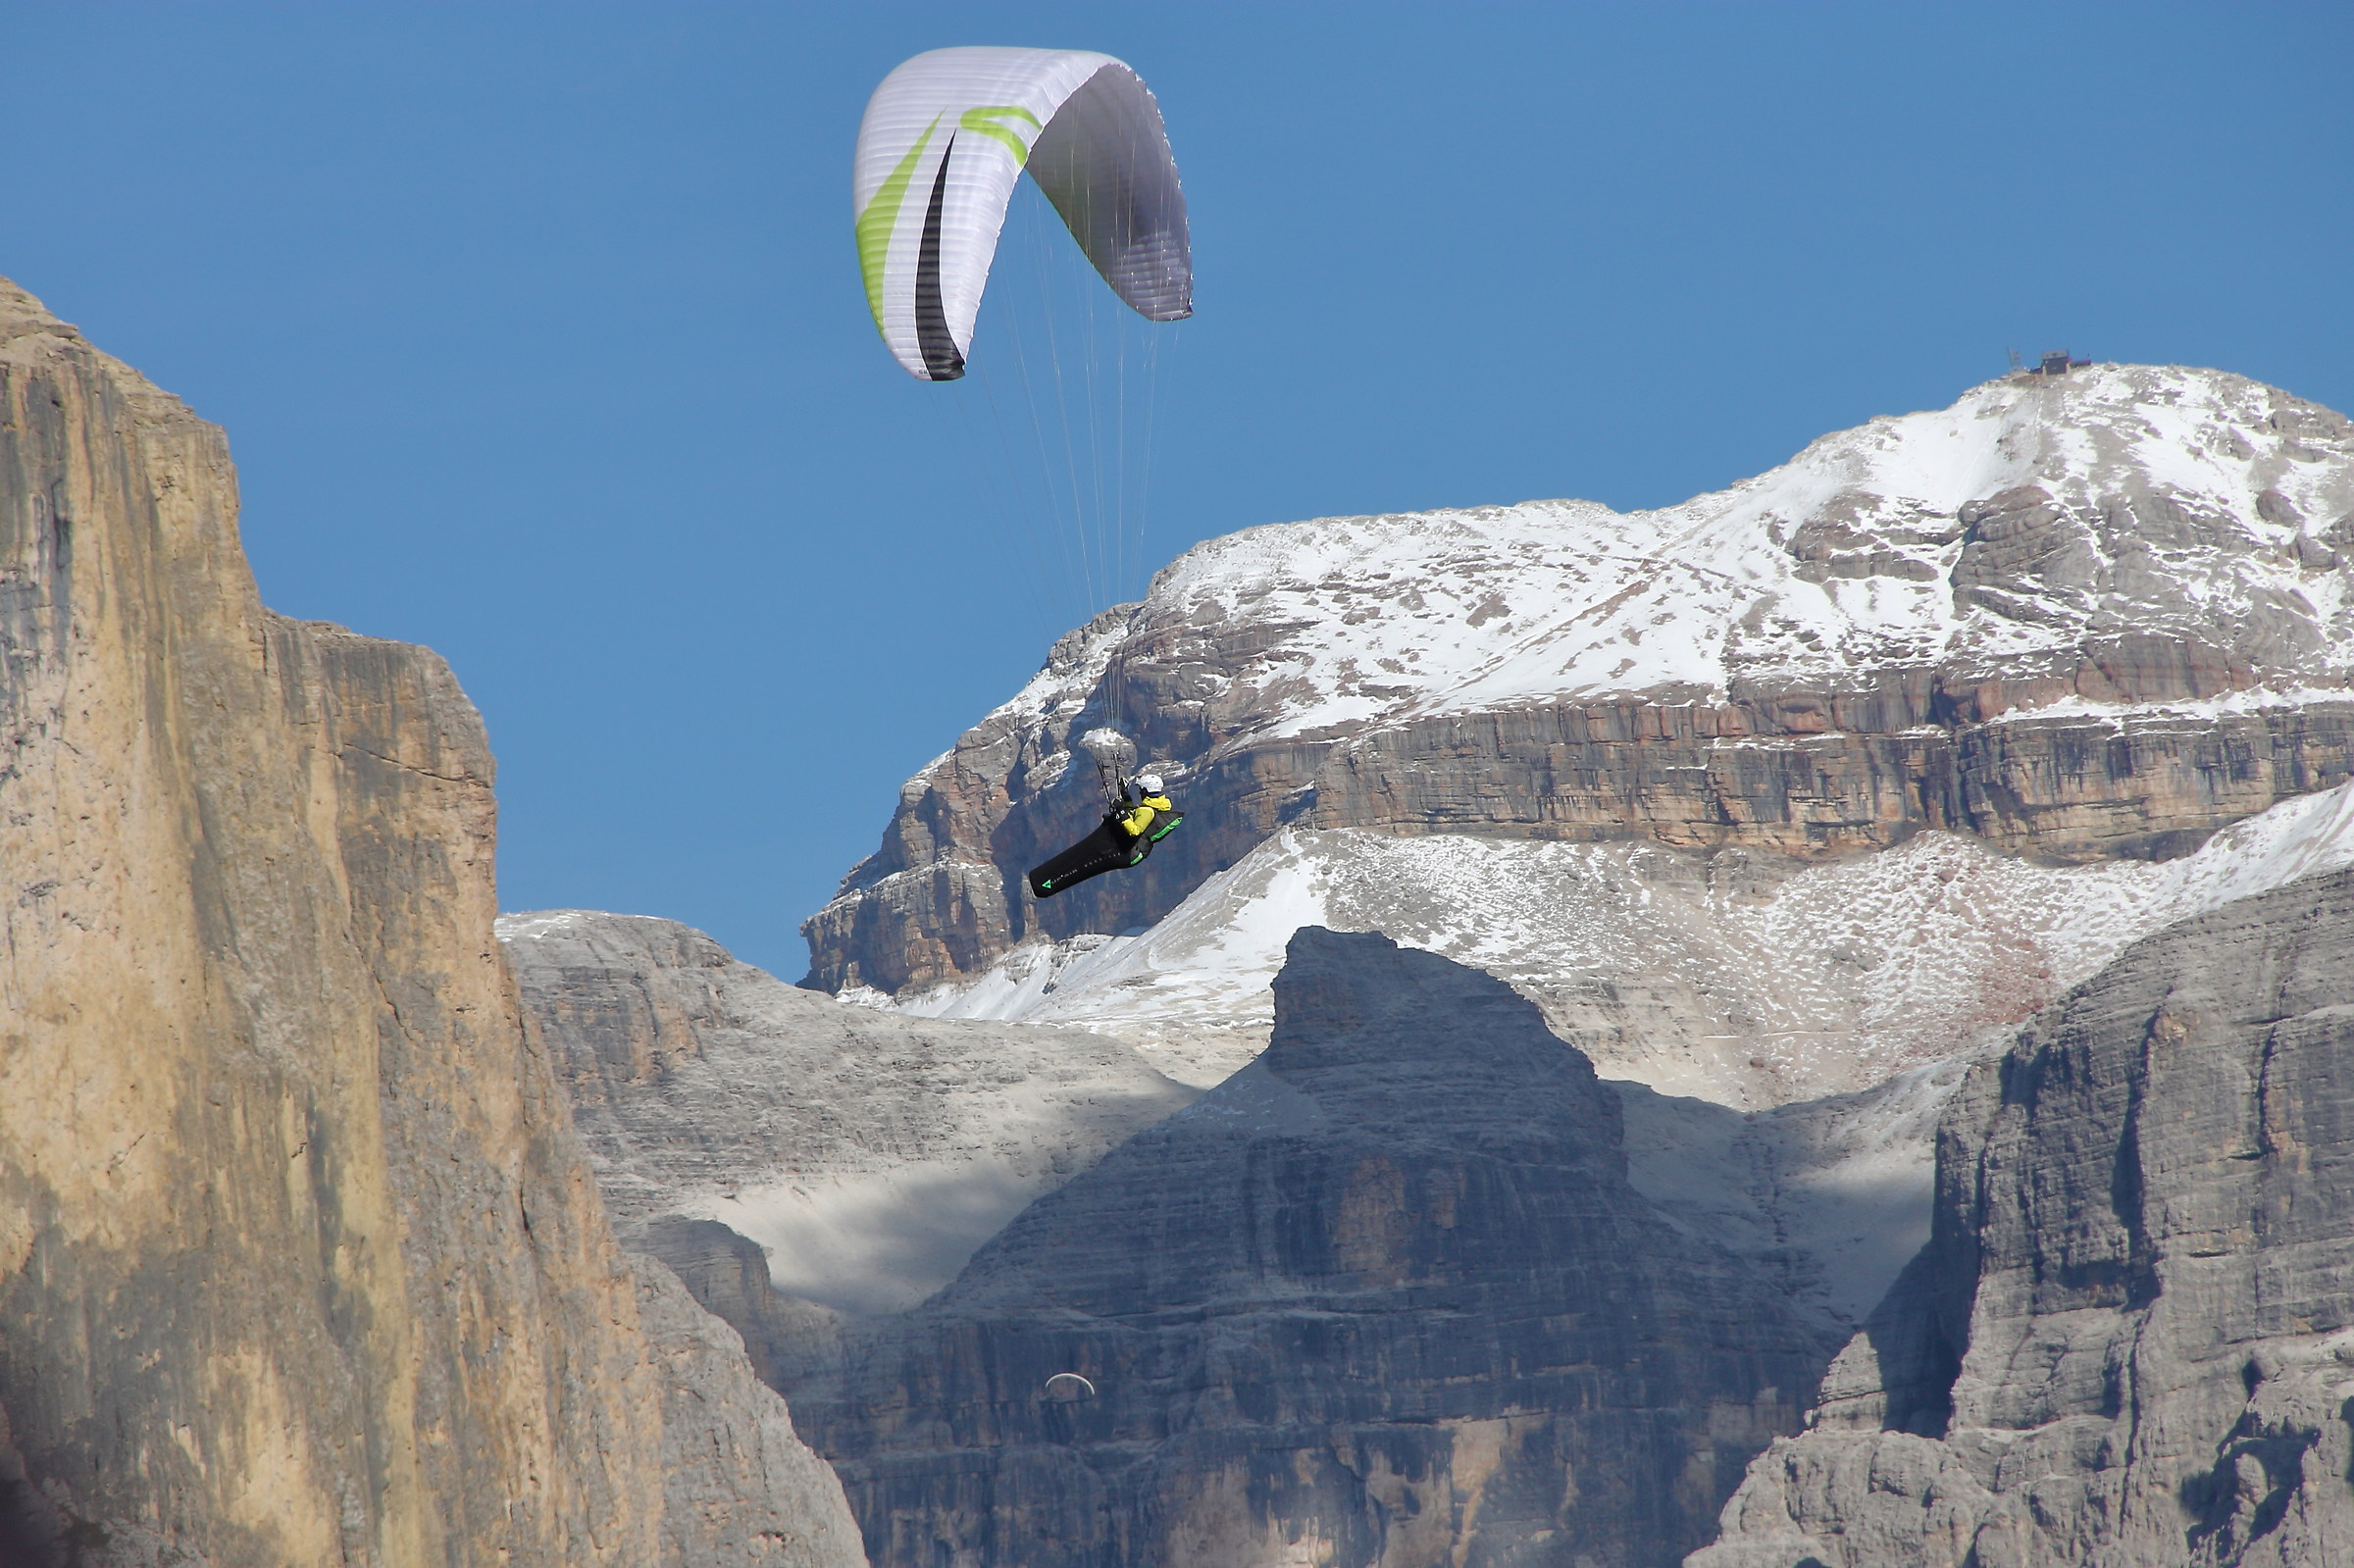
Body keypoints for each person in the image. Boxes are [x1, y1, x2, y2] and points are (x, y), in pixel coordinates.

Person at [1026, 772, 1185, 898]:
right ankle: (1042, 882)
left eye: (1140, 790)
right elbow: (1136, 815)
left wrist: (1121, 813)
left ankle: (1045, 885)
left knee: (1082, 865)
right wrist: (1126, 798)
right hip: (1129, 851)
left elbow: (1135, 830)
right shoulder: (1154, 806)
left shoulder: (1148, 811)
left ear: (1145, 791)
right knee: (1080, 857)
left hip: (1127, 852)